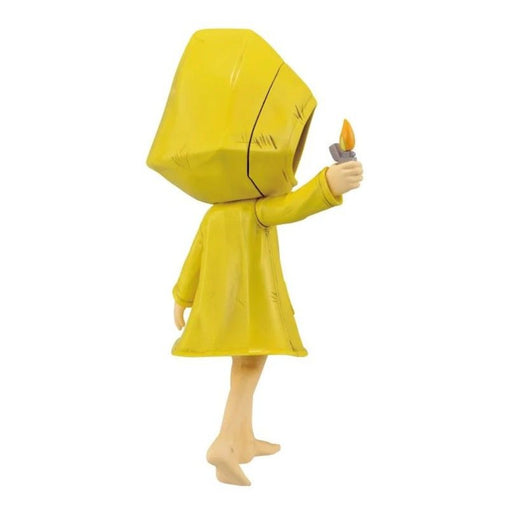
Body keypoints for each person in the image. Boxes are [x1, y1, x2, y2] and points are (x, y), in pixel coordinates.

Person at [147, 28, 363, 486]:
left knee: (246, 364)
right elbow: (292, 206)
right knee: (249, 366)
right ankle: (224, 443)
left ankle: (242, 440)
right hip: (249, 311)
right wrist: (328, 184)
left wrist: (181, 296)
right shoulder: (253, 210)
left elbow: (194, 259)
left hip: (228, 310)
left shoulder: (215, 215)